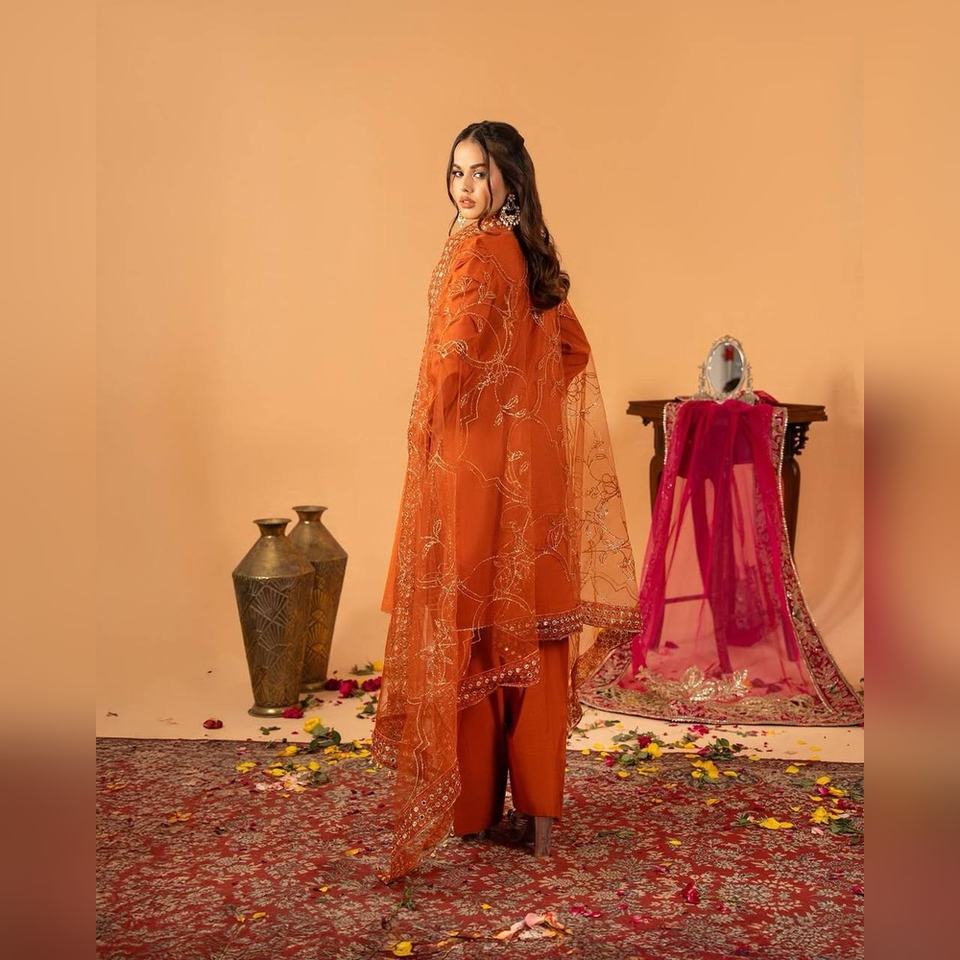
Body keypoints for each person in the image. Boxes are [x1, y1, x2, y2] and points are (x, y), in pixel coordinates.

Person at [372, 121, 641, 882]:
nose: (465, 187)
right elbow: (572, 350)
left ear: (509, 180)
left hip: (473, 469)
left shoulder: (476, 249)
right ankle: (542, 815)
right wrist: (522, 405)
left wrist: (442, 421)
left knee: (477, 627)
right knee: (538, 630)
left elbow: (452, 357)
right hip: (534, 470)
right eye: (456, 171)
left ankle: (473, 812)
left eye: (480, 172)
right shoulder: (532, 254)